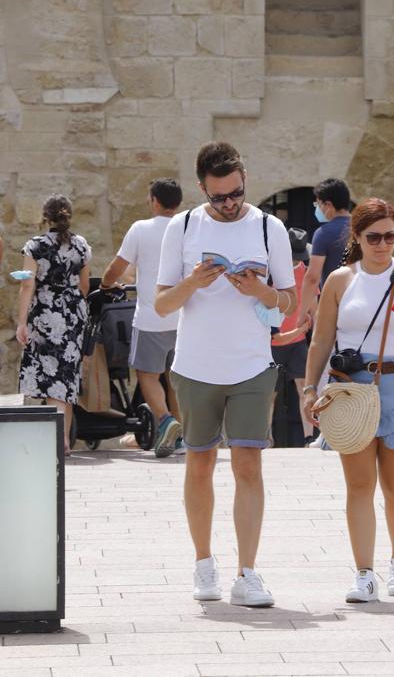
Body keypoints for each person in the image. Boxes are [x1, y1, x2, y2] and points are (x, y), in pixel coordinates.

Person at [155, 141, 297, 607]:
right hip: (195, 366)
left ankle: (248, 572)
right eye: (219, 197)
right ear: (202, 189)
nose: (230, 203)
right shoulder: (184, 226)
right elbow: (161, 305)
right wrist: (193, 281)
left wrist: (261, 290)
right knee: (198, 462)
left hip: (252, 364)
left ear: (244, 180)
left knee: (249, 464)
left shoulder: (269, 227)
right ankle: (203, 563)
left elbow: (290, 304)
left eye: (235, 192)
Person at [303, 198, 394, 603]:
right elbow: (321, 340)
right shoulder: (341, 280)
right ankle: (364, 573)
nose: (383, 244)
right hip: (352, 388)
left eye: (390, 236)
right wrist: (310, 389)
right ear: (358, 237)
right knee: (359, 485)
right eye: (374, 237)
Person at [101, 178, 184, 458]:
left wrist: (106, 285)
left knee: (148, 375)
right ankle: (182, 436)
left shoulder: (141, 229)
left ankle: (165, 420)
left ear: (155, 201)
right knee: (176, 378)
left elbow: (117, 268)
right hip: (183, 317)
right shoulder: (186, 227)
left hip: (151, 317)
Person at [16, 194, 91, 455]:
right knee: (66, 375)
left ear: (45, 217)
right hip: (73, 314)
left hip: (46, 314)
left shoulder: (35, 246)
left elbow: (27, 284)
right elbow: (84, 286)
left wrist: (21, 322)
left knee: (51, 377)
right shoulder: (81, 245)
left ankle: (59, 439)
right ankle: (64, 440)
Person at [271, 227, 314, 445]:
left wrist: (312, 323)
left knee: (303, 386)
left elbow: (313, 303)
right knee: (271, 392)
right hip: (274, 341)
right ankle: (265, 438)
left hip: (298, 342)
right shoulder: (272, 273)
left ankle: (308, 437)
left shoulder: (306, 272)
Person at [296, 178, 351, 325]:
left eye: (318, 204)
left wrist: (302, 313)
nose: (317, 208)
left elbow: (312, 277)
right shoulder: (362, 228)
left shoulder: (324, 233)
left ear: (328, 205)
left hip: (334, 304)